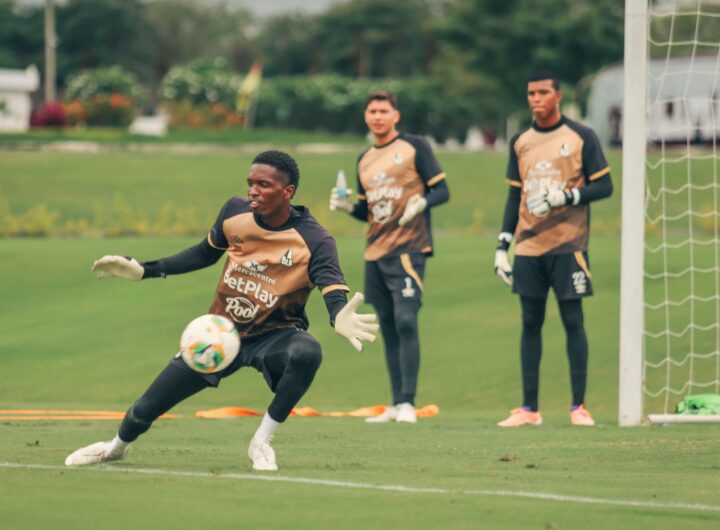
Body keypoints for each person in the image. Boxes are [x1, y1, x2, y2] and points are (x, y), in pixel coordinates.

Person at [65, 150, 379, 471]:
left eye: (263, 185)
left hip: (275, 337)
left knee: (308, 353)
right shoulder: (234, 213)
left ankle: (261, 441)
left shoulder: (315, 240)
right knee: (143, 410)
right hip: (219, 335)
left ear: (288, 192)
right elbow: (204, 253)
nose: (253, 191)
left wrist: (338, 314)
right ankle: (115, 448)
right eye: (250, 183)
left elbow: (332, 287)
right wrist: (146, 270)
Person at [493, 72, 613, 427]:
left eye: (543, 92)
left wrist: (567, 196)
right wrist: (502, 245)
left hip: (569, 245)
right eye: (531, 93)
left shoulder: (581, 136)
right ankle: (529, 409)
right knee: (530, 322)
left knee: (573, 320)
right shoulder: (520, 141)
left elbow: (604, 186)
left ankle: (579, 407)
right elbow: (514, 195)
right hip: (529, 247)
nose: (536, 98)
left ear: (557, 96)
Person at [329, 90, 449, 423]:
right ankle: (396, 403)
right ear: (366, 117)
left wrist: (422, 202)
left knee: (406, 319)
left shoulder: (414, 146)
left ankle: (409, 403)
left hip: (409, 248)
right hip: (375, 253)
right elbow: (368, 211)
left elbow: (442, 190)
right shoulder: (364, 159)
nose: (378, 116)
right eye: (372, 111)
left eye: (384, 111)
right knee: (390, 326)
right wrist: (347, 207)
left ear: (396, 115)